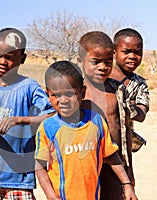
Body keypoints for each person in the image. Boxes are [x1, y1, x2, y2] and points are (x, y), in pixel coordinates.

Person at [35, 60, 137, 200]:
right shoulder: (48, 128)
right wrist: (51, 195)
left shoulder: (96, 121)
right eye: (56, 95)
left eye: (70, 94)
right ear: (48, 95)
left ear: (82, 93)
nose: (63, 100)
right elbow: (39, 166)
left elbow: (111, 154)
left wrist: (126, 184)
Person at [0, 27, 54, 200]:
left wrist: (20, 120)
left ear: (22, 58)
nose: (2, 62)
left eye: (9, 57)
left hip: (19, 178)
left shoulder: (29, 87)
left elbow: (52, 115)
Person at [78, 31, 134, 200]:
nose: (103, 67)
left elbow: (125, 133)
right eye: (95, 62)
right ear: (81, 60)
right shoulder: (75, 92)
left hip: (113, 166)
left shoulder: (118, 91)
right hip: (83, 165)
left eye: (108, 62)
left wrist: (128, 172)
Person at [110, 28, 150, 152]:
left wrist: (128, 107)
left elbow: (141, 114)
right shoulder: (102, 77)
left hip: (122, 143)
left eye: (137, 52)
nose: (132, 56)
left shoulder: (139, 84)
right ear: (114, 52)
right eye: (126, 51)